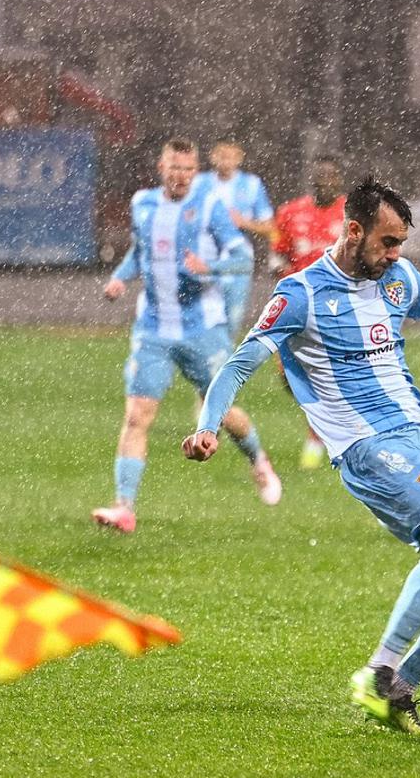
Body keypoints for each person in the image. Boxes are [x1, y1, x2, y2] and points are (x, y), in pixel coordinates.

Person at [183, 179, 420, 736]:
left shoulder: (399, 278)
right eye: (387, 242)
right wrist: (208, 427)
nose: (395, 254)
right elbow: (238, 365)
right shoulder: (300, 294)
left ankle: (396, 692)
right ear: (354, 231)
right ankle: (380, 671)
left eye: (400, 243)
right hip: (367, 446)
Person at [94, 138, 281, 534]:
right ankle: (124, 507)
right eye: (174, 168)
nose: (180, 176)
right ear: (161, 168)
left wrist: (208, 267)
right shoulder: (143, 203)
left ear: (196, 172)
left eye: (188, 169)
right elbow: (139, 252)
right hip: (153, 330)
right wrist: (120, 278)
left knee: (224, 414)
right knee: (136, 416)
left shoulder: (209, 205)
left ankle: (258, 461)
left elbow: (242, 257)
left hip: (202, 330)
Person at [270, 155, 348, 470]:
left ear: (340, 180)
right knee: (288, 375)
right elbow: (277, 256)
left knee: (327, 373)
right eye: (321, 176)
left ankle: (319, 438)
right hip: (297, 304)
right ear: (312, 179)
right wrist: (283, 276)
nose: (325, 181)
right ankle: (327, 420)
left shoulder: (351, 214)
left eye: (331, 176)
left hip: (337, 307)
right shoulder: (290, 212)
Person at [194, 141, 275, 334]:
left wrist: (244, 222)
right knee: (199, 318)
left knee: (232, 320)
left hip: (237, 260)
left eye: (230, 156)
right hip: (204, 258)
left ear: (239, 159)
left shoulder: (251, 184)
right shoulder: (199, 183)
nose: (225, 161)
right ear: (212, 157)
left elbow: (269, 226)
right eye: (221, 155)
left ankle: (224, 350)